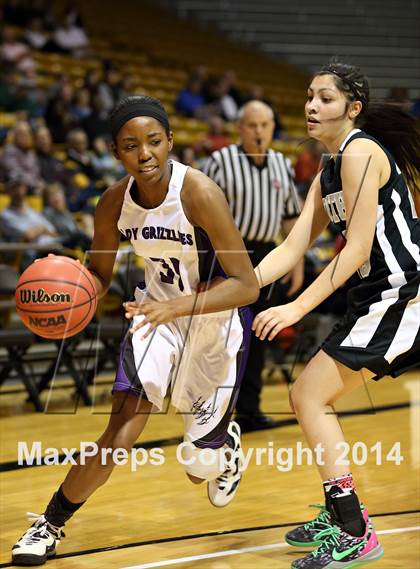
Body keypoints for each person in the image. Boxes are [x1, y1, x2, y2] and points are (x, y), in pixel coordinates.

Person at [11, 95, 259, 566]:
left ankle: (223, 446)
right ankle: (49, 525)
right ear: (115, 152)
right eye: (130, 145)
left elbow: (247, 285)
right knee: (120, 431)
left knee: (197, 466)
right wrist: (67, 288)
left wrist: (182, 307)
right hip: (155, 315)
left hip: (216, 321)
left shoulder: (198, 193)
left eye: (153, 142)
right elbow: (98, 278)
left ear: (169, 142)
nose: (144, 153)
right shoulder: (111, 204)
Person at [252, 61, 420, 568]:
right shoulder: (329, 169)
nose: (310, 105)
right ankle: (341, 516)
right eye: (308, 96)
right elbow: (294, 244)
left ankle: (353, 529)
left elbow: (355, 249)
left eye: (324, 98)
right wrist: (237, 286)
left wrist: (295, 307)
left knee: (307, 394)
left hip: (404, 292)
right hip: (377, 295)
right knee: (308, 396)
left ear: (353, 109)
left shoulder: (362, 152)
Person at [203, 100, 303, 432]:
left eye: (265, 124)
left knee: (258, 333)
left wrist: (297, 261)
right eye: (252, 125)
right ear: (240, 128)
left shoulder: (282, 164)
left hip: (266, 255)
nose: (259, 131)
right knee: (223, 336)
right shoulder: (220, 162)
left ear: (273, 127)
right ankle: (213, 413)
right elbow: (199, 215)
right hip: (228, 254)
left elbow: (291, 217)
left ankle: (249, 411)